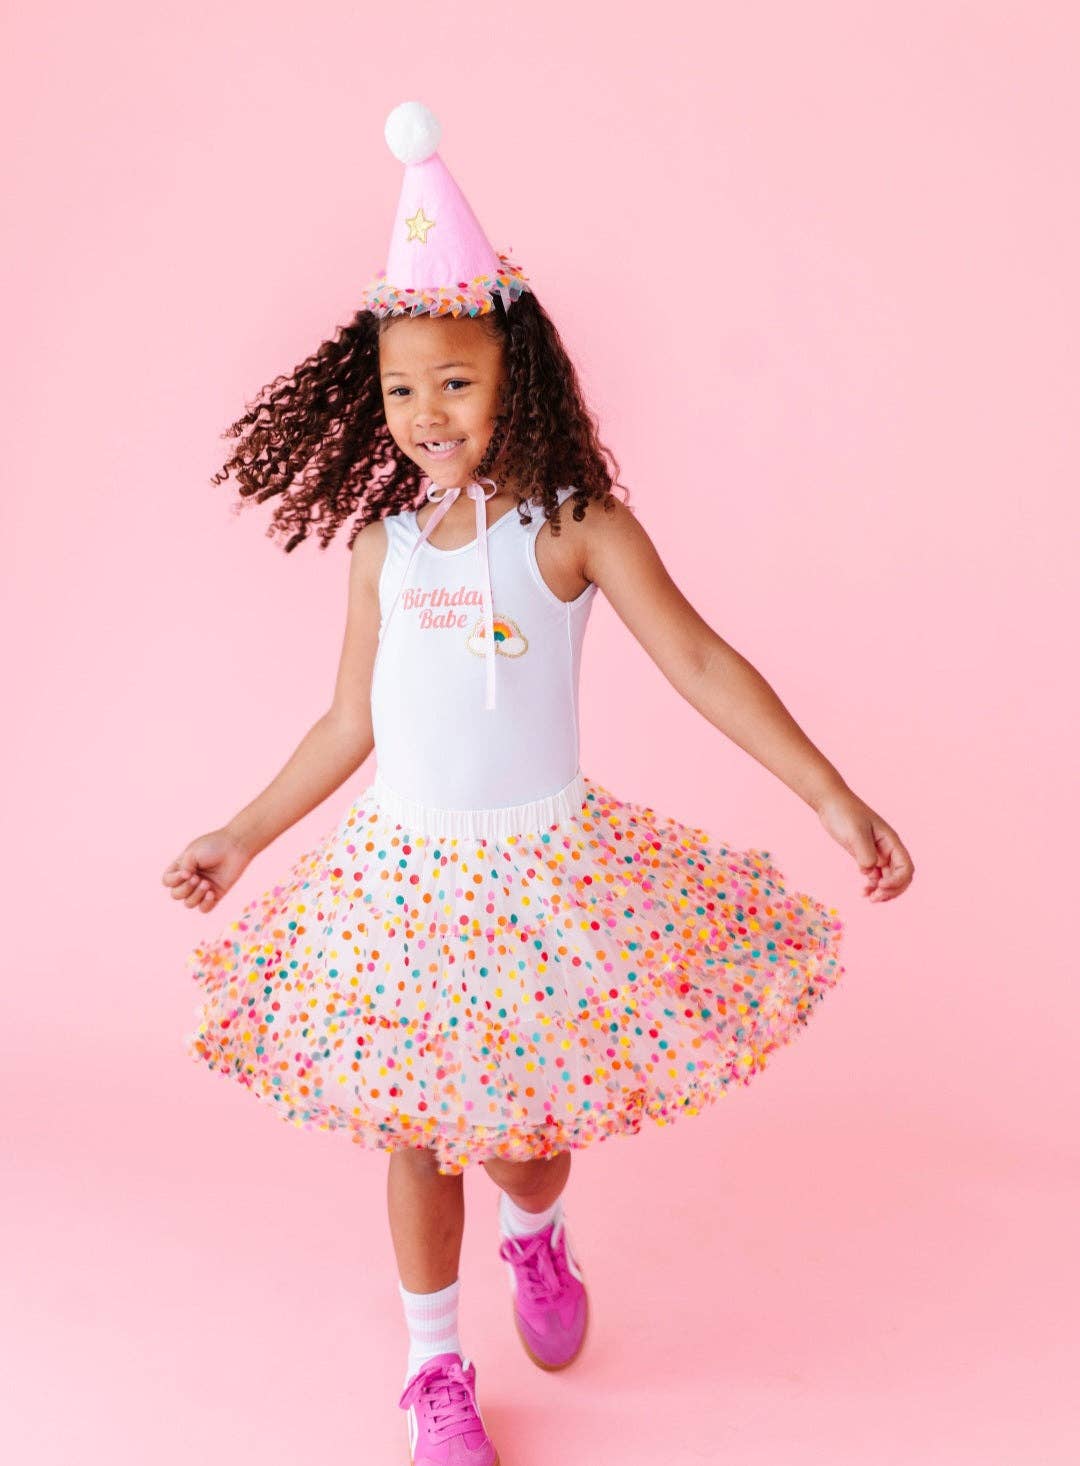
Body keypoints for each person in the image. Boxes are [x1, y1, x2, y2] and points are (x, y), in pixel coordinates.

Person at [162, 101, 913, 1466]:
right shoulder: (386, 551)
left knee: (518, 1139)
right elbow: (349, 720)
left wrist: (830, 793)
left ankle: (537, 1227)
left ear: (520, 378)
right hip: (402, 880)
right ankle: (433, 1367)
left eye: (455, 382)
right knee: (412, 1129)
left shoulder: (574, 527)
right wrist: (243, 833)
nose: (426, 414)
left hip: (536, 880)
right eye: (403, 390)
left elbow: (699, 659)